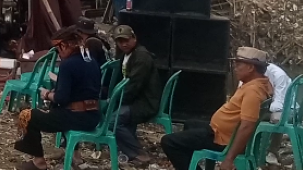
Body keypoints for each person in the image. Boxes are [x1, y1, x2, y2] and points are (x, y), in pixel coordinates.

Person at [161, 47, 273, 170]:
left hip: (222, 139)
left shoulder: (253, 91)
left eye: (238, 65)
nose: (235, 68)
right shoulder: (256, 84)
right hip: (219, 132)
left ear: (251, 68)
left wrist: (229, 159)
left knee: (169, 142)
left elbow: (247, 126)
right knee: (190, 124)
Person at [14, 27, 101, 170]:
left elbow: (61, 98)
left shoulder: (68, 65)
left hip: (77, 117)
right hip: (93, 116)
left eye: (57, 48)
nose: (58, 53)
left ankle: (38, 162)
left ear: (65, 45)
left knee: (27, 115)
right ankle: (75, 156)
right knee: (59, 111)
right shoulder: (90, 60)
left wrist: (47, 94)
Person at [111, 25, 162, 163]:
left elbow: (134, 86)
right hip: (135, 100)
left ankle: (138, 153)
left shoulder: (141, 57)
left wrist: (115, 101)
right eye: (120, 41)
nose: (123, 44)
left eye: (126, 40)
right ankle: (128, 146)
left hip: (144, 103)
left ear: (134, 38)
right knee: (116, 115)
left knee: (113, 120)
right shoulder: (127, 55)